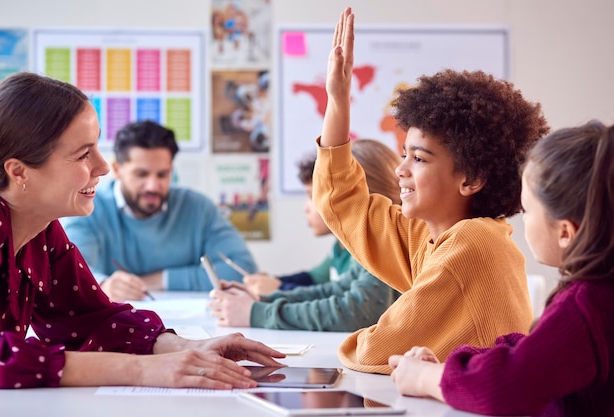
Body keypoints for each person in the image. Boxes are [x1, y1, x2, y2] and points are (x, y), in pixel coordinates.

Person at [0, 72, 284, 389]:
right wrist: (143, 370)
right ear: (19, 171)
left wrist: (188, 348)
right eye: (84, 154)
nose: (103, 167)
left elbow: (90, 321)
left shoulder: (44, 231)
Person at [314, 7, 550, 374]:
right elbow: (343, 203)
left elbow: (374, 350)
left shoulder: (472, 244)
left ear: (471, 179)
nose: (400, 169)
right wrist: (338, 100)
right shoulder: (435, 233)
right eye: (403, 154)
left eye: (420, 160)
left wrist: (347, 344)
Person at [389, 121, 614, 416]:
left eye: (528, 210)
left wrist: (424, 378)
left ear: (565, 232)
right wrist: (451, 369)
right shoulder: (597, 295)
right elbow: (536, 354)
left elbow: (507, 386)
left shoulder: (585, 304)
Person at [208, 139, 401, 331]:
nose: (311, 205)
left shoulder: (382, 239)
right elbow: (333, 290)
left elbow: (355, 312)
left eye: (315, 195)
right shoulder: (358, 240)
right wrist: (264, 300)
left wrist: (258, 311)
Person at [60, 120, 258, 302]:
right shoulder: (88, 207)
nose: (153, 186)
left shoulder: (198, 208)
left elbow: (244, 270)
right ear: (117, 169)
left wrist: (157, 280)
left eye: (162, 174)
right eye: (141, 174)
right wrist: (104, 285)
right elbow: (68, 274)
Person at [242, 151, 354, 296]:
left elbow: (338, 299)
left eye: (311, 196)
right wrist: (271, 281)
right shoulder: (339, 247)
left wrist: (279, 288)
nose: (305, 208)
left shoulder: (359, 253)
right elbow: (314, 278)